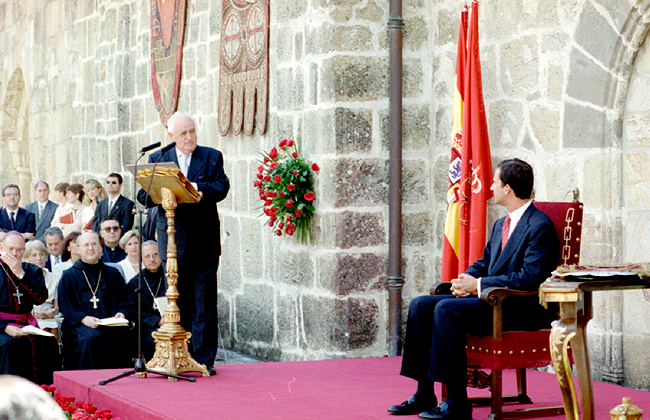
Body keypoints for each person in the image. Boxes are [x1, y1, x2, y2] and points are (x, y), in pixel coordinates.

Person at [388, 159, 559, 420]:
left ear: (508, 189)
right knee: (420, 304)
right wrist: (467, 278)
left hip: (517, 308)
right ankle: (425, 393)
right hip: (493, 300)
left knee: (446, 309)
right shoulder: (501, 223)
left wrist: (478, 285)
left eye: (495, 182)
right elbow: (486, 262)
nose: (490, 186)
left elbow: (529, 279)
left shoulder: (540, 227)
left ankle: (456, 403)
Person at [138, 111, 229, 375]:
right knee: (178, 301)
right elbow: (145, 197)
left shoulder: (211, 156)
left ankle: (203, 360)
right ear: (171, 135)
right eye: (183, 133)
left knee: (204, 304)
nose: (190, 137)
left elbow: (221, 187)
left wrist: (195, 187)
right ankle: (180, 355)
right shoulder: (158, 158)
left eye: (192, 131)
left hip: (204, 241)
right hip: (173, 241)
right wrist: (152, 191)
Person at [58, 231, 133, 370]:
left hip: (111, 324)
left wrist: (122, 313)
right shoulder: (69, 276)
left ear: (101, 248)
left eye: (94, 244)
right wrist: (83, 318)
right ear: (78, 249)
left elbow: (127, 300)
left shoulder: (112, 274)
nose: (90, 248)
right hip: (80, 326)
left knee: (126, 334)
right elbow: (66, 306)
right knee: (91, 338)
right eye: (86, 245)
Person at [0, 232, 57, 384]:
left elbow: (40, 298)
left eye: (19, 250)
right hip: (2, 326)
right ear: (1, 247)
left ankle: (45, 392)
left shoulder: (31, 270)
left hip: (26, 324)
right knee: (9, 344)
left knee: (48, 342)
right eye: (10, 249)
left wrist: (20, 273)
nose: (14, 254)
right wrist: (5, 327)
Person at [124, 240, 167, 360]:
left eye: (155, 254)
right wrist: (157, 321)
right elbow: (134, 312)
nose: (152, 259)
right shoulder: (135, 283)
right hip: (147, 328)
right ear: (141, 259)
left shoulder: (169, 277)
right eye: (147, 256)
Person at [23, 241, 59, 338]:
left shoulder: (54, 278)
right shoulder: (22, 278)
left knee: (55, 329)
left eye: (42, 254)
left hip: (50, 317)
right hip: (31, 316)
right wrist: (35, 313)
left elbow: (58, 304)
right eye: (34, 255)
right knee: (42, 329)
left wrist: (53, 311)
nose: (39, 258)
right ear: (26, 258)